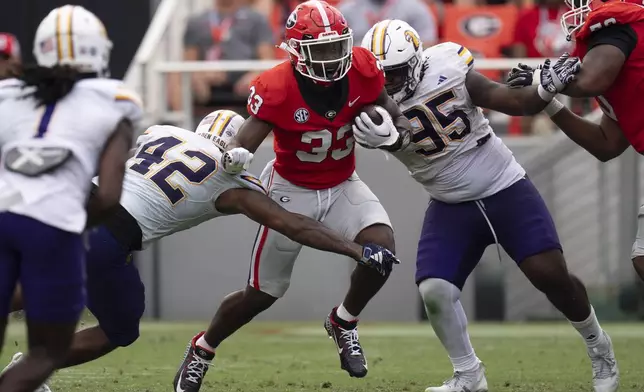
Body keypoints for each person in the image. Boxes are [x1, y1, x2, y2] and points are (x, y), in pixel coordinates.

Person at [3, 109, 399, 392]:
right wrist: (356, 250)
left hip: (76, 204)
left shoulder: (161, 133)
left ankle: (32, 366)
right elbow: (293, 224)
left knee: (117, 321)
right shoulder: (230, 180)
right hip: (108, 236)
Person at [357, 19, 618, 392]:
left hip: (504, 186)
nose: (388, 83)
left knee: (551, 276)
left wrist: (546, 87)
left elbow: (512, 101)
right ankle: (468, 374)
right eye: (382, 74)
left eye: (395, 74)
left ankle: (598, 346)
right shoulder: (366, 99)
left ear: (415, 61)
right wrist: (380, 138)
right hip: (449, 204)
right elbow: (395, 135)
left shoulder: (447, 68)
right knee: (434, 290)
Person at [173, 2, 413, 391]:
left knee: (381, 249)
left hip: (341, 183)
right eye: (320, 50)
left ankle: (344, 321)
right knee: (261, 294)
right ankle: (203, 347)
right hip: (290, 189)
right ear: (297, 51)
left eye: (338, 47)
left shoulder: (363, 68)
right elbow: (243, 142)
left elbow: (392, 110)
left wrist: (396, 132)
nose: (333, 58)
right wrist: (235, 156)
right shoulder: (277, 86)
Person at [0, 5, 139, 392]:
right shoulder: (116, 102)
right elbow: (109, 196)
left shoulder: (8, 95)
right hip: (54, 222)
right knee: (45, 352)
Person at [512, 0, 644, 282]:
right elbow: (607, 143)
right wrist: (548, 103)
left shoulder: (617, 25)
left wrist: (542, 76)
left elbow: (590, 81)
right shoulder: (622, 55)